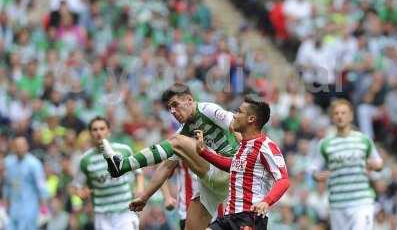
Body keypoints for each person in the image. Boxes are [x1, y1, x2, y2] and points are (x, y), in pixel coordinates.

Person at [102, 83, 240, 229]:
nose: (173, 111)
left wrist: (247, 157)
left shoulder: (207, 109)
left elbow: (236, 126)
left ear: (189, 100)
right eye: (170, 108)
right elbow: (166, 167)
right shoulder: (182, 132)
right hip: (212, 185)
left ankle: (123, 165)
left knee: (175, 142)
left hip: (228, 168)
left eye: (175, 105)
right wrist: (144, 197)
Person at [195, 94, 290, 230]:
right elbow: (233, 166)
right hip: (229, 216)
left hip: (249, 218)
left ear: (251, 119)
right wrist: (203, 152)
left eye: (239, 112)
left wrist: (266, 202)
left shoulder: (266, 146)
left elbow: (284, 180)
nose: (234, 115)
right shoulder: (244, 145)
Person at [312, 99, 383, 230]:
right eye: (336, 113)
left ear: (351, 115)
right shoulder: (325, 144)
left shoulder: (363, 140)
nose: (340, 116)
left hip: (362, 200)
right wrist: (318, 175)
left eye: (343, 113)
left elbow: (379, 162)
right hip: (337, 203)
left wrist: (374, 165)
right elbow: (314, 170)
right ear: (332, 117)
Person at [71, 116, 144, 230]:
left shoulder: (124, 150)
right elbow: (75, 186)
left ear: (108, 131)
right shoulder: (85, 160)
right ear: (90, 134)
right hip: (102, 215)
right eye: (95, 130)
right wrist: (80, 193)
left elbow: (138, 172)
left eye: (102, 128)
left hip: (125, 211)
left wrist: (139, 189)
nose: (98, 133)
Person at [3, 136, 48, 230]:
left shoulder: (34, 164)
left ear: (27, 146)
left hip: (29, 206)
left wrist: (44, 206)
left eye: (21, 146)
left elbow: (41, 185)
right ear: (13, 147)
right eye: (17, 146)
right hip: (13, 207)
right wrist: (5, 201)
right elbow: (7, 184)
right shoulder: (9, 162)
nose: (19, 149)